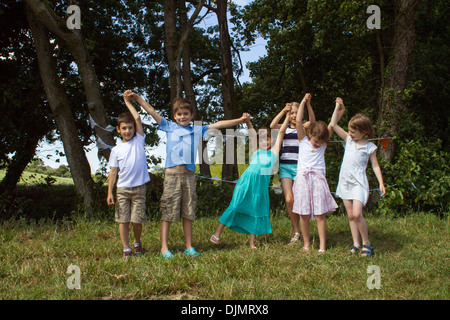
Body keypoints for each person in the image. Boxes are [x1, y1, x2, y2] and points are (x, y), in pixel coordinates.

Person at [125, 90, 250, 258]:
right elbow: (151, 111)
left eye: (185, 114)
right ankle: (164, 248)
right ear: (174, 116)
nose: (182, 116)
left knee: (188, 211)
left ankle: (189, 246)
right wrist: (137, 98)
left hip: (189, 176)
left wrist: (240, 120)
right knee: (168, 211)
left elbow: (219, 124)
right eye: (179, 114)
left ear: (191, 116)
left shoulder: (197, 130)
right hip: (172, 177)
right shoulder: (169, 126)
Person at [210, 112, 290, 250]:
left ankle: (252, 242)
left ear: (272, 140)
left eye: (268, 139)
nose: (265, 142)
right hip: (245, 184)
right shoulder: (256, 150)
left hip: (259, 189)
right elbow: (252, 133)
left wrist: (287, 114)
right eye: (262, 140)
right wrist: (247, 121)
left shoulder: (274, 152)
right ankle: (217, 233)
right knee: (234, 206)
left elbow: (281, 131)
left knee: (255, 211)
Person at [329, 97, 385, 257]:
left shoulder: (370, 147)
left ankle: (367, 243)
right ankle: (356, 243)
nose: (350, 134)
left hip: (359, 184)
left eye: (354, 132)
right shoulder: (349, 140)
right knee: (350, 215)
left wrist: (381, 182)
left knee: (357, 214)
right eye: (350, 131)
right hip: (345, 182)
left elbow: (375, 165)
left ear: (364, 132)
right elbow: (333, 124)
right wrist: (337, 106)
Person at [107, 92, 151, 260]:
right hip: (122, 190)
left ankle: (137, 242)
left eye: (130, 128)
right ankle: (126, 248)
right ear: (118, 130)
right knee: (123, 220)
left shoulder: (139, 140)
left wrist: (128, 102)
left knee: (137, 220)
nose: (128, 131)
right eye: (124, 128)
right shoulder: (116, 150)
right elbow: (113, 172)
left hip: (139, 188)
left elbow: (138, 118)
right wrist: (110, 192)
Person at [292, 94, 338, 254]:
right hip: (303, 179)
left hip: (318, 179)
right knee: (303, 213)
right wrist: (304, 102)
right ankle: (306, 243)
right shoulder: (303, 140)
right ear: (310, 134)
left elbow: (332, 124)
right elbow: (298, 121)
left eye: (320, 141)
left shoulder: (323, 144)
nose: (317, 144)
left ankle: (322, 246)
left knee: (319, 214)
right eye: (315, 140)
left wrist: (338, 107)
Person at [270, 96, 315, 245]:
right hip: (285, 167)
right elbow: (272, 125)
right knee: (289, 199)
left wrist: (307, 105)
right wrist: (284, 111)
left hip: (300, 168)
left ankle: (299, 230)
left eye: (297, 113)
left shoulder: (303, 127)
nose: (294, 116)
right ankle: (296, 230)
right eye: (292, 113)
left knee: (298, 199)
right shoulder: (285, 128)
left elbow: (313, 122)